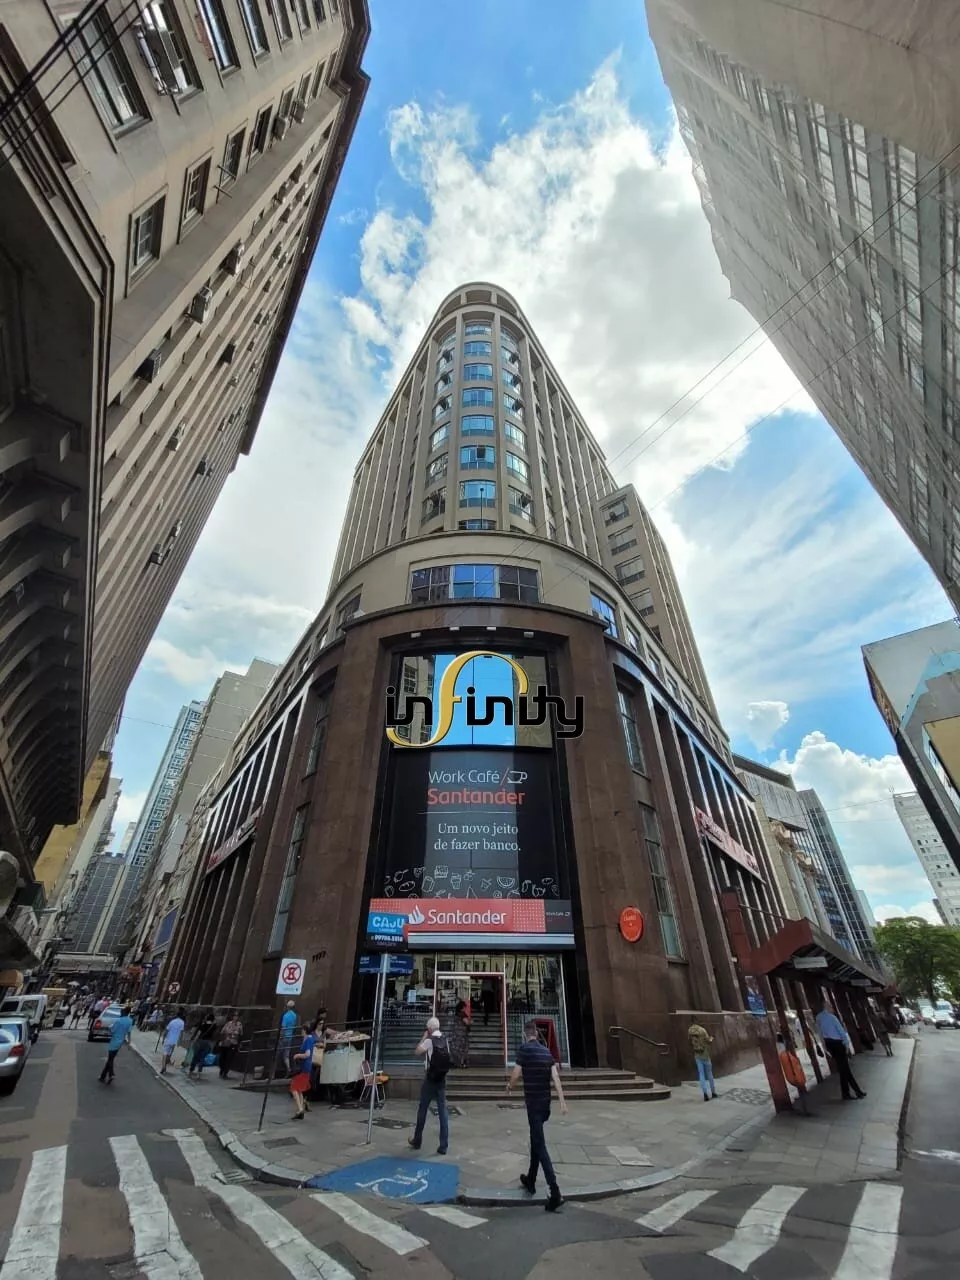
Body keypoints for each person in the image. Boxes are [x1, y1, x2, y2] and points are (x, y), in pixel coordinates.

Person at [507, 1019, 567, 1212]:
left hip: (533, 1104)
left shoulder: (524, 1050)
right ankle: (531, 1180)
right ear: (536, 1033)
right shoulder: (546, 1052)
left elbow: (516, 1074)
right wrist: (562, 1101)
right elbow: (555, 1077)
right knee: (536, 1139)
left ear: (526, 1034)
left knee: (540, 1145)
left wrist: (509, 1086)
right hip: (545, 1105)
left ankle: (555, 1191)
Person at [408, 1017, 451, 1155]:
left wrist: (423, 1038)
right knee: (443, 1112)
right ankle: (443, 1145)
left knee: (423, 1109)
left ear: (430, 1029)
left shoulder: (429, 1040)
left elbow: (417, 1052)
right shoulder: (445, 1039)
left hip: (430, 1079)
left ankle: (417, 1140)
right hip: (441, 1079)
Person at [814, 1001, 866, 1100]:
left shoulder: (818, 1018)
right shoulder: (832, 1018)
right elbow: (841, 1031)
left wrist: (824, 1046)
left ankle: (849, 1092)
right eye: (831, 1007)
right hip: (838, 1043)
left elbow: (820, 1033)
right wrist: (846, 1044)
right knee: (845, 1068)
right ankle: (855, 1092)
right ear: (827, 1007)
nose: (832, 1008)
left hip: (829, 1044)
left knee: (843, 1069)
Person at [289, 1021, 319, 1120]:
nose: (301, 1032)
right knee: (299, 1089)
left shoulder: (308, 1040)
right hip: (305, 1067)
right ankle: (300, 1109)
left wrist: (297, 1055)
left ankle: (300, 1109)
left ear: (305, 1030)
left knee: (294, 1087)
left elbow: (307, 1054)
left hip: (304, 1067)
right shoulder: (309, 1039)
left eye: (302, 1030)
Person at [99, 1005, 133, 1084]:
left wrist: (110, 1028)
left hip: (114, 1040)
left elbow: (112, 1030)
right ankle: (102, 1076)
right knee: (111, 1058)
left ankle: (111, 1074)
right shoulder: (130, 1021)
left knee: (110, 1059)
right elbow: (129, 1032)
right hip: (120, 1041)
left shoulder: (118, 1020)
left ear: (124, 1012)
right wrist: (129, 1042)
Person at [777, 1034, 810, 1115]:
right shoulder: (784, 1052)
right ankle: (803, 1103)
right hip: (794, 1072)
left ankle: (803, 1101)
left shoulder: (783, 1051)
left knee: (798, 1080)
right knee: (798, 1080)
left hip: (793, 1072)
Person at [688, 1020, 718, 1101]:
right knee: (709, 1074)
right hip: (705, 1054)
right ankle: (713, 1092)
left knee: (701, 1074)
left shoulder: (690, 1030)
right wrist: (712, 1038)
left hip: (697, 1054)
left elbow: (689, 1041)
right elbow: (708, 1041)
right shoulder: (702, 1030)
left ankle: (705, 1094)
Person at [188, 1010, 217, 1079]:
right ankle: (199, 1073)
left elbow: (198, 1033)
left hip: (200, 1041)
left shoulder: (203, 1024)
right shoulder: (214, 1026)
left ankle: (191, 1071)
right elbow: (214, 1034)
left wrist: (194, 1040)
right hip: (207, 1042)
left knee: (195, 1057)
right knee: (202, 1058)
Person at [218, 1011, 244, 1079]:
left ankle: (225, 1072)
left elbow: (241, 1035)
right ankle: (221, 1070)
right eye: (234, 1016)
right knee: (223, 1057)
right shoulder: (228, 1023)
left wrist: (239, 1043)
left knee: (229, 1058)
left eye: (237, 1016)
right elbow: (222, 1032)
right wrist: (221, 1040)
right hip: (225, 1043)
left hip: (233, 1043)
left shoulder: (239, 1024)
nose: (235, 1017)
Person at [276, 1000, 298, 1077]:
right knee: (286, 1055)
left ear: (287, 1007)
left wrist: (281, 1037)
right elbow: (294, 1026)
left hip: (284, 1037)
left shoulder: (285, 1016)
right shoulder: (294, 1015)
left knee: (278, 1054)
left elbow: (283, 1028)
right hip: (290, 1037)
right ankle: (288, 1069)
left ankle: (273, 1073)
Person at [161, 1008, 186, 1074]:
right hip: (174, 1041)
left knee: (165, 1053)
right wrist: (180, 1041)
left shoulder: (172, 1021)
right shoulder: (182, 1023)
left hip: (168, 1039)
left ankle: (163, 1066)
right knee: (169, 1054)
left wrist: (163, 1039)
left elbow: (166, 1030)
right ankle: (166, 1064)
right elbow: (181, 1033)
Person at [450, 997, 471, 1069]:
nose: (465, 1008)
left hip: (456, 1034)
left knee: (456, 1049)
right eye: (465, 1007)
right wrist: (471, 1022)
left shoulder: (456, 1014)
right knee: (462, 1049)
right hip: (462, 1035)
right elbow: (466, 1022)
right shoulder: (462, 1014)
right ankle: (462, 1063)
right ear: (462, 1007)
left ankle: (455, 1063)